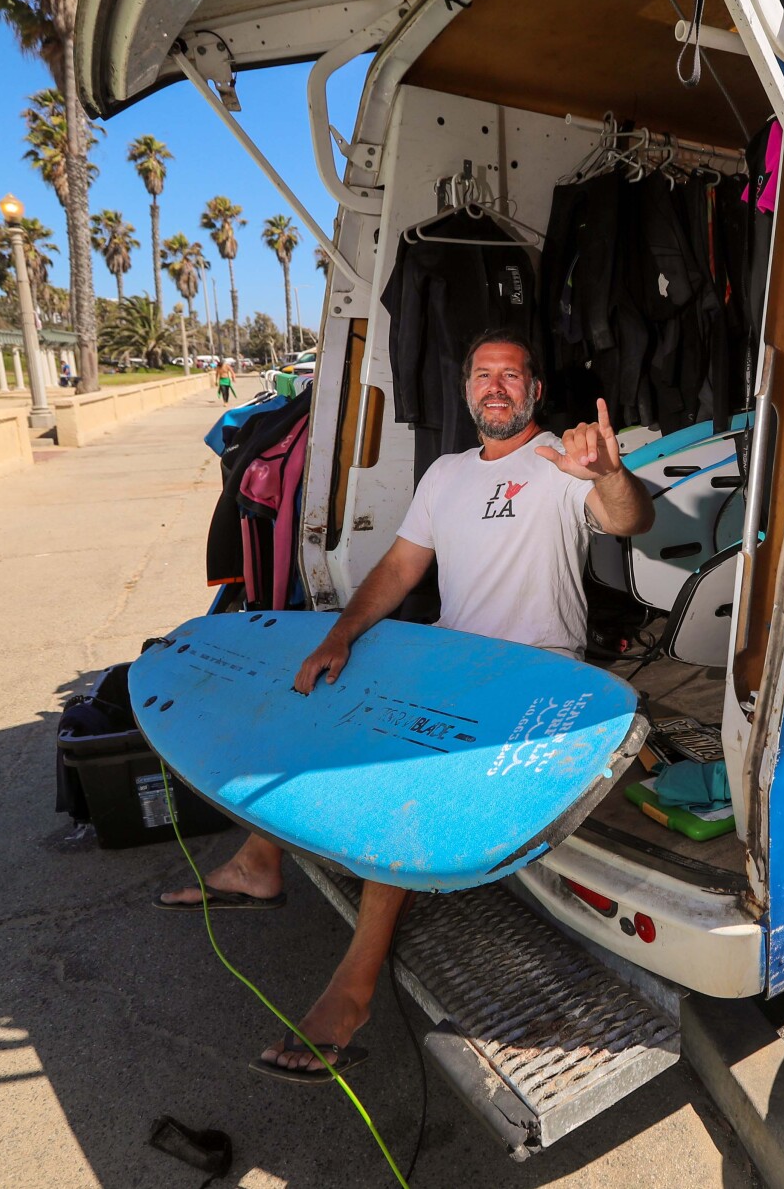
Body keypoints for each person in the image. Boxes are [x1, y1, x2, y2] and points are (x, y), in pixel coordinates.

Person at [157, 331, 653, 1079]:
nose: (496, 387)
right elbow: (398, 566)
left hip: (532, 675)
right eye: (482, 374)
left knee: (405, 787)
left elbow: (625, 519)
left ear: (534, 392)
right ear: (465, 390)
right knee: (315, 696)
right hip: (451, 657)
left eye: (511, 376)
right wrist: (340, 636)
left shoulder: (560, 461)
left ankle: (351, 991)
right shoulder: (445, 474)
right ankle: (259, 860)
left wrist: (611, 475)